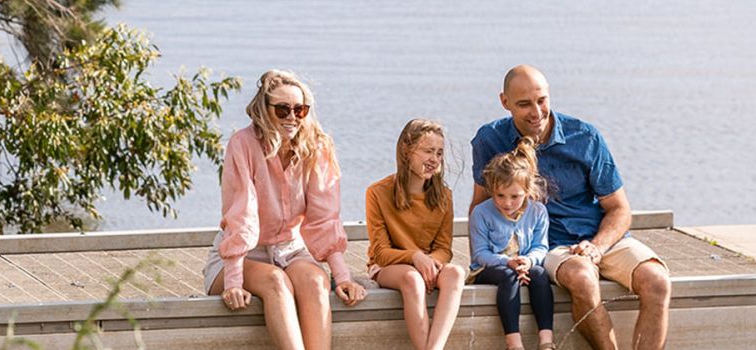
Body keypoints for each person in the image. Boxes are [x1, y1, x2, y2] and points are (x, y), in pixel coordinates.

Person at [470, 65, 672, 350]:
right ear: (505, 102)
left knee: (658, 281)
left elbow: (619, 209)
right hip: (549, 244)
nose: (536, 112)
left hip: (601, 239)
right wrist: (491, 260)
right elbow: (480, 206)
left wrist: (597, 246)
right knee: (582, 277)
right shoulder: (490, 139)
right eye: (524, 104)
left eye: (542, 101)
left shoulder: (585, 137)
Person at [203, 69, 366, 350]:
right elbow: (241, 213)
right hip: (239, 256)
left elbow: (324, 217)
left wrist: (342, 277)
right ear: (264, 110)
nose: (292, 117)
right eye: (282, 109)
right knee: (276, 282)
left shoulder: (317, 147)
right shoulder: (242, 144)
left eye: (299, 110)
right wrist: (233, 282)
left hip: (291, 250)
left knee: (316, 281)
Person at [364, 119, 464, 350]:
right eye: (428, 151)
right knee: (412, 279)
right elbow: (380, 253)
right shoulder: (377, 192)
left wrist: (430, 262)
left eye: (439, 153)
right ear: (407, 151)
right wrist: (415, 257)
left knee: (455, 273)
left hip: (428, 265)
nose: (434, 159)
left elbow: (444, 248)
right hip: (389, 267)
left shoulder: (444, 196)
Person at [470, 136, 555, 350]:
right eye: (500, 195)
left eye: (515, 196)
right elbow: (480, 253)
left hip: (523, 265)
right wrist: (507, 262)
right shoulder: (481, 213)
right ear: (491, 190)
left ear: (527, 191)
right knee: (508, 276)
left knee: (539, 273)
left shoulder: (538, 211)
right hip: (488, 268)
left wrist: (527, 260)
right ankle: (514, 344)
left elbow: (541, 246)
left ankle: (546, 340)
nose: (507, 203)